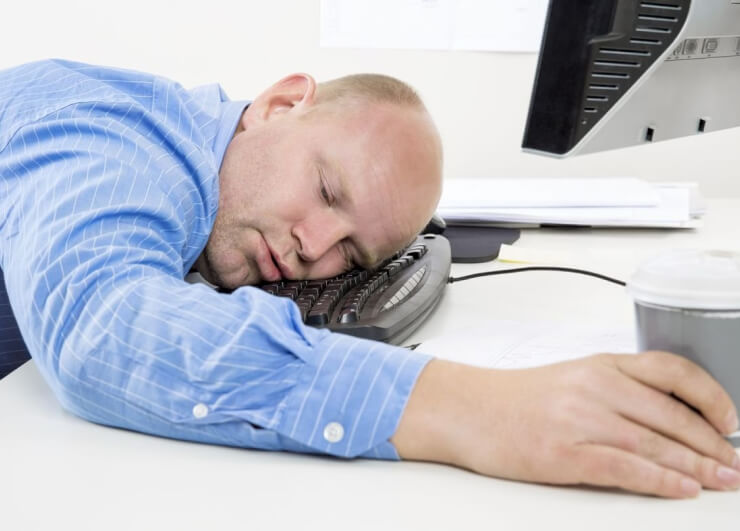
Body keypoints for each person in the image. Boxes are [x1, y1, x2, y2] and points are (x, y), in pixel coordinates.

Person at [0, 59, 738, 499]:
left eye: (352, 256)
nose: (314, 248)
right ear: (280, 104)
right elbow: (103, 327)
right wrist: (479, 409)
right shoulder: (112, 138)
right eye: (326, 191)